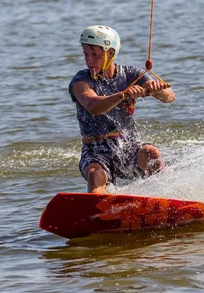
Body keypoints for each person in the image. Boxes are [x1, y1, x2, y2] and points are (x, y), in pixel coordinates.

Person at [69, 25, 175, 194]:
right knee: (95, 174)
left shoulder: (131, 75)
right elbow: (94, 106)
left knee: (151, 152)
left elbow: (170, 97)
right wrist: (122, 95)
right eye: (86, 54)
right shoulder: (81, 81)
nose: (89, 61)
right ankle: (96, 211)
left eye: (94, 54)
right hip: (95, 149)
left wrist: (156, 90)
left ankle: (168, 197)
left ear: (111, 53)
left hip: (128, 145)